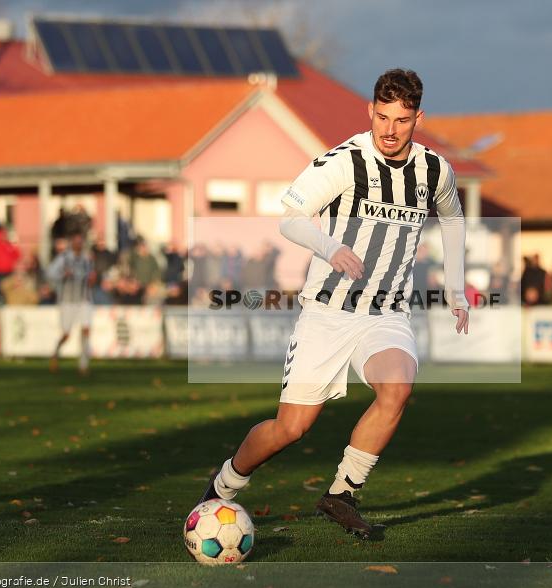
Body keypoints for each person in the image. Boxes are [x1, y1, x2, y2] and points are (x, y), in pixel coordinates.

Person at [196, 69, 469, 539]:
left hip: (385, 313)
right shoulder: (345, 162)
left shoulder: (434, 170)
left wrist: (457, 289)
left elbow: (454, 219)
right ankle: (224, 484)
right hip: (326, 313)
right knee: (291, 428)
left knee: (398, 387)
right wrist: (330, 248)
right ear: (370, 110)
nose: (389, 129)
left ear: (418, 118)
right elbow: (291, 219)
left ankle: (341, 493)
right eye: (382, 117)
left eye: (401, 120)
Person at [47, 233, 95, 375]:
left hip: (84, 299)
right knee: (66, 333)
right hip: (68, 300)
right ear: (72, 244)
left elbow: (91, 277)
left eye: (81, 242)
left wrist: (93, 279)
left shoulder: (87, 259)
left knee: (86, 329)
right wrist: (63, 274)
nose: (79, 245)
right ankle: (55, 353)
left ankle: (83, 364)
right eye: (76, 242)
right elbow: (50, 273)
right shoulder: (64, 259)